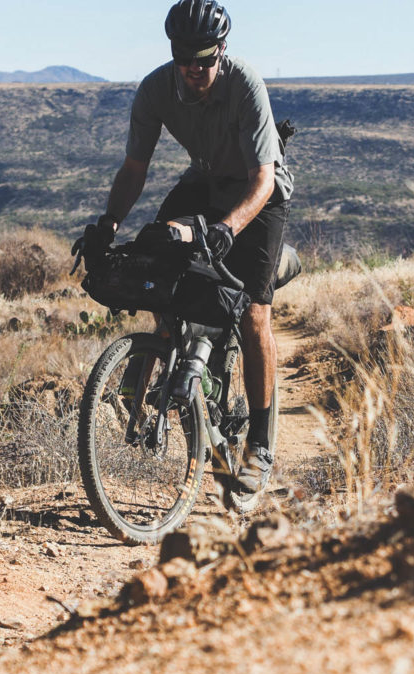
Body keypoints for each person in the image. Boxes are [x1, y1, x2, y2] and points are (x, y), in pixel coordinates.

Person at [85, 0, 294, 494]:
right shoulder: (157, 89)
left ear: (221, 51)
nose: (194, 70)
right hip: (204, 181)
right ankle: (172, 358)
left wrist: (227, 228)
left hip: (258, 193)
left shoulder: (245, 84)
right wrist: (108, 225)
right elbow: (134, 169)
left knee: (254, 312)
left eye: (204, 59)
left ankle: (260, 445)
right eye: (185, 59)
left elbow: (262, 178)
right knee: (156, 263)